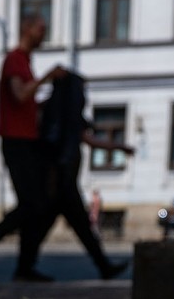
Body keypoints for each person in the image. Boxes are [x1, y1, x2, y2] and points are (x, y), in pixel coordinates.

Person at [0, 14, 63, 283]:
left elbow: (26, 100)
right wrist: (47, 78)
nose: (43, 34)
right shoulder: (15, 59)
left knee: (37, 205)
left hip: (27, 140)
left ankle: (24, 266)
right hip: (16, 140)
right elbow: (20, 95)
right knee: (33, 203)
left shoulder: (25, 62)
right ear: (27, 29)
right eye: (40, 28)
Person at [29, 69, 134, 279]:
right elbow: (55, 145)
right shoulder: (57, 113)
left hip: (64, 181)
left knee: (62, 226)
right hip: (62, 182)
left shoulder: (64, 113)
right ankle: (103, 266)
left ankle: (103, 266)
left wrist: (118, 146)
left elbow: (87, 139)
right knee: (73, 226)